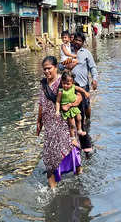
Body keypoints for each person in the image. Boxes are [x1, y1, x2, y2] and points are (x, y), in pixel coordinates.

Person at [37, 56, 82, 188]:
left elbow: (78, 96)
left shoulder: (63, 82)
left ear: (55, 67)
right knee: (50, 158)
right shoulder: (43, 84)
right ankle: (53, 190)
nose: (46, 71)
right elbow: (41, 104)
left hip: (63, 124)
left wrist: (70, 105)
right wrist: (38, 122)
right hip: (49, 125)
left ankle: (80, 181)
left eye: (49, 68)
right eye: (44, 69)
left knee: (71, 151)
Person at [70, 32, 98, 155]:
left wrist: (94, 79)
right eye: (75, 40)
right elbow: (60, 66)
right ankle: (78, 129)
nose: (77, 42)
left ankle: (88, 122)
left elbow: (92, 67)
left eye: (79, 40)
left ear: (83, 42)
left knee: (86, 106)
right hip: (71, 87)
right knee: (74, 109)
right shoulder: (67, 52)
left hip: (84, 85)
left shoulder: (86, 53)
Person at [56, 71, 90, 139]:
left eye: (68, 84)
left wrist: (85, 93)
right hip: (67, 109)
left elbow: (80, 89)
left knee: (79, 118)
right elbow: (58, 101)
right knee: (72, 124)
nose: (65, 85)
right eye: (64, 83)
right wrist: (57, 110)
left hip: (74, 107)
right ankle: (72, 137)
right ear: (61, 82)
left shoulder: (73, 87)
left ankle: (79, 130)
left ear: (72, 83)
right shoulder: (61, 91)